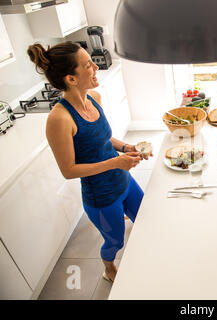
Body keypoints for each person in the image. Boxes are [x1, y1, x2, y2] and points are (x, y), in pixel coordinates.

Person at [27, 41, 152, 282]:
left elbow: (103, 139)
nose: (96, 66)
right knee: (115, 240)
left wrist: (127, 147)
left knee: (146, 219)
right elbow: (69, 170)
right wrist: (116, 163)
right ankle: (109, 269)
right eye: (88, 65)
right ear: (71, 79)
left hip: (124, 181)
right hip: (101, 196)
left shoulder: (94, 97)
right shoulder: (59, 119)